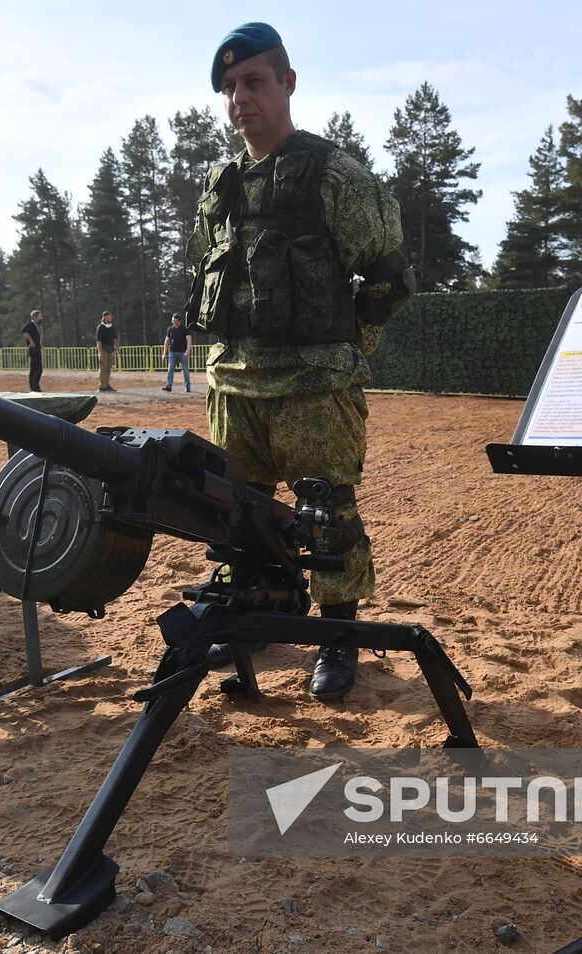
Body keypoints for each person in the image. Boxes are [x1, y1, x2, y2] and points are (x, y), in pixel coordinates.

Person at [186, 23, 412, 701]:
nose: (239, 99)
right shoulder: (220, 185)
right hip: (235, 388)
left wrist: (348, 355)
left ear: (287, 82)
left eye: (253, 81)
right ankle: (259, 619)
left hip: (315, 388)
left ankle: (338, 635)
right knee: (241, 514)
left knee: (328, 512)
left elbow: (389, 278)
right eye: (229, 87)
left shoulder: (334, 176)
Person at [161, 312, 192, 392]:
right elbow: (167, 341)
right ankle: (168, 386)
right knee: (170, 368)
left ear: (179, 321)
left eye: (175, 321)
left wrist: (188, 350)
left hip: (183, 353)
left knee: (185, 370)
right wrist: (164, 353)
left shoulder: (185, 329)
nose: (174, 323)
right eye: (173, 321)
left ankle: (187, 386)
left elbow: (189, 340)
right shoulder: (170, 329)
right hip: (173, 353)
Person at [95, 310, 119, 392]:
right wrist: (100, 352)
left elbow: (115, 339)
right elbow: (98, 341)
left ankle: (107, 385)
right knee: (103, 368)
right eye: (109, 316)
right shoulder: (100, 327)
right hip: (103, 350)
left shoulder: (111, 327)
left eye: (111, 316)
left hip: (111, 350)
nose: (111, 318)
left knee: (108, 368)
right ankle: (102, 386)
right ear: (104, 317)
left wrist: (117, 349)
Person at [21, 309, 44, 391]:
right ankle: (35, 387)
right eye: (40, 316)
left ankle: (33, 387)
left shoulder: (37, 326)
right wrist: (31, 341)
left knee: (33, 369)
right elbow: (24, 332)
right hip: (33, 349)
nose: (42, 318)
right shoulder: (31, 324)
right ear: (35, 317)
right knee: (39, 369)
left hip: (36, 348)